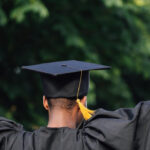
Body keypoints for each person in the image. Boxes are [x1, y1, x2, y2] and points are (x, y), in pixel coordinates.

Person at [0, 60, 150, 150]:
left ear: (45, 102)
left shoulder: (16, 144)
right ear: (83, 102)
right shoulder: (96, 143)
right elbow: (142, 120)